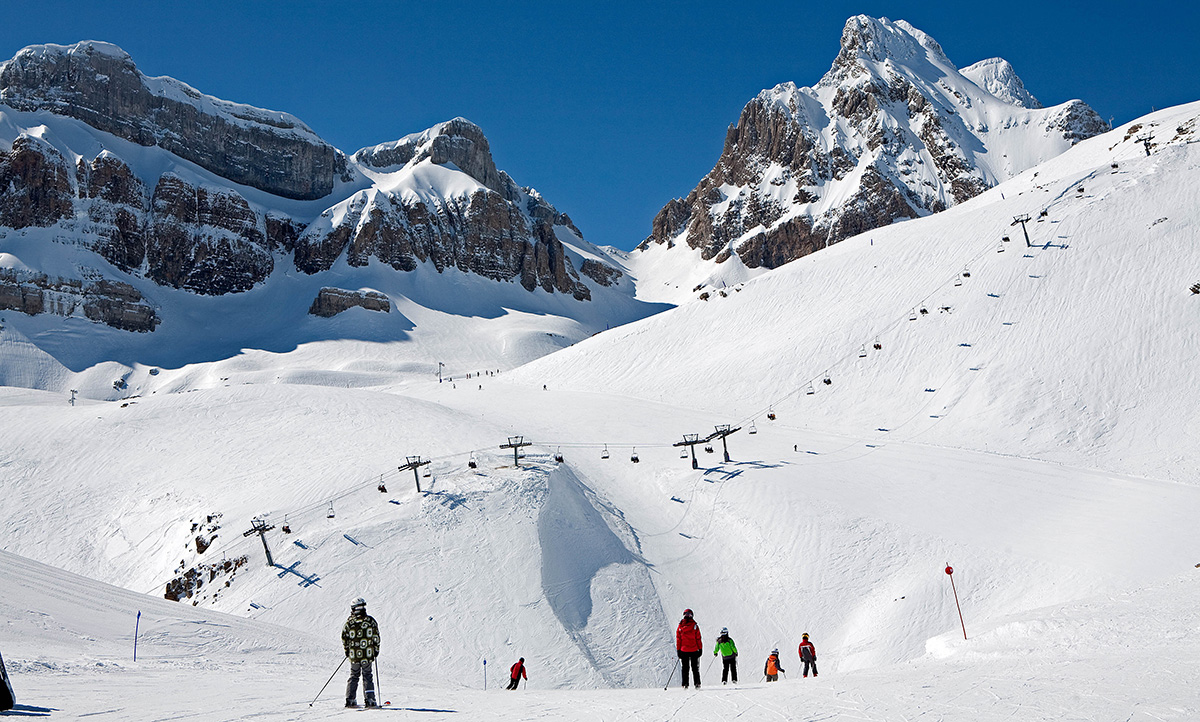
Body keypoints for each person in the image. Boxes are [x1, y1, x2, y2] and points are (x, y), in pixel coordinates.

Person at [342, 597, 380, 708]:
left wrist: (347, 650)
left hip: (354, 655)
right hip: (367, 655)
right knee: (367, 675)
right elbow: (376, 637)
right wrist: (376, 650)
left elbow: (344, 637)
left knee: (354, 675)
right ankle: (370, 699)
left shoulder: (349, 622)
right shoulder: (370, 621)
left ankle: (350, 699)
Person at [676, 608, 702, 688]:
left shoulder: (680, 626)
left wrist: (678, 650)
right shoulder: (694, 626)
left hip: (684, 650)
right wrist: (700, 649)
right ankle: (697, 683)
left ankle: (685, 684)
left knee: (685, 668)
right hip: (694, 650)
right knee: (695, 668)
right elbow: (698, 638)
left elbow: (678, 639)